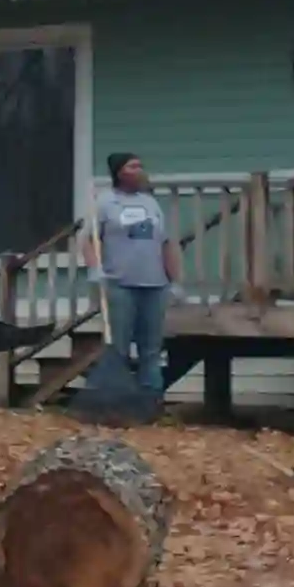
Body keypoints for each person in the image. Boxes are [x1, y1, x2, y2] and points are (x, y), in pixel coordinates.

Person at [89, 150, 174, 401]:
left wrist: (174, 279)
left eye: (140, 166)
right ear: (119, 173)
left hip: (155, 284)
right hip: (120, 285)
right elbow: (88, 240)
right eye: (132, 167)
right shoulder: (105, 203)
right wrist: (95, 268)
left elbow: (166, 243)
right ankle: (115, 398)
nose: (139, 171)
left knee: (152, 348)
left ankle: (150, 400)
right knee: (118, 347)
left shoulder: (151, 203)